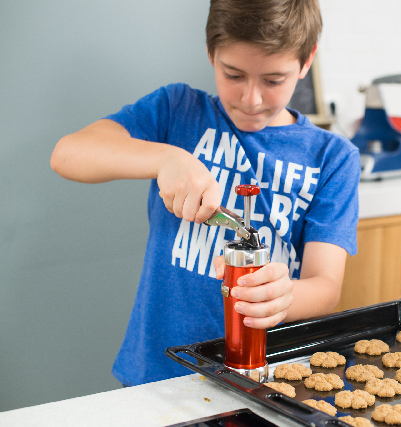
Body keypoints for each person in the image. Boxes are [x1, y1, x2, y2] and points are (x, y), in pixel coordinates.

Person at [50, 0, 360, 386]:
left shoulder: (333, 158)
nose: (251, 99)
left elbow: (326, 287)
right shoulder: (176, 110)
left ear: (306, 60)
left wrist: (286, 297)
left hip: (263, 379)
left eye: (273, 80)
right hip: (158, 373)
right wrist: (166, 158)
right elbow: (68, 154)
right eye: (233, 74)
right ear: (212, 53)